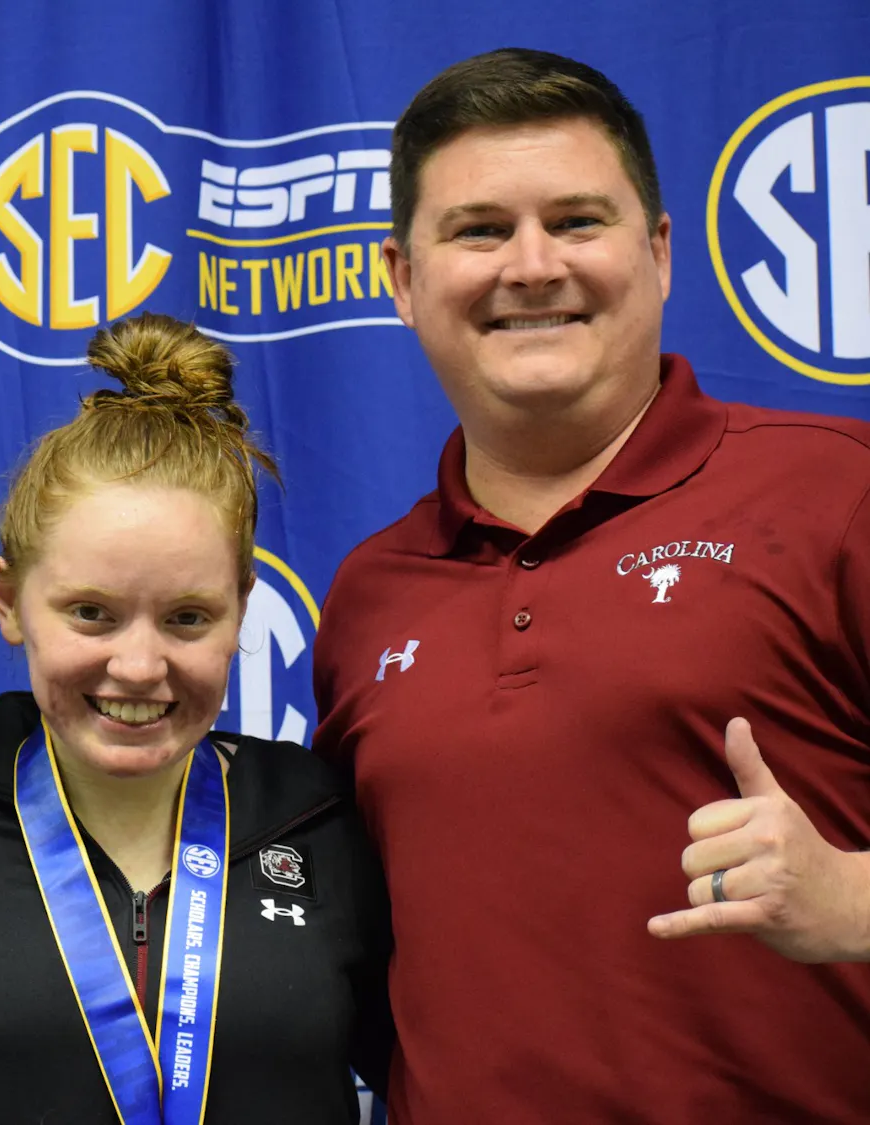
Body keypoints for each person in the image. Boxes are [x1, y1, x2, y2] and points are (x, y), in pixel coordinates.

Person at [313, 46, 870, 1123]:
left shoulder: (836, 492)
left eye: (576, 221)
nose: (531, 265)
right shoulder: (367, 596)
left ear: (659, 254)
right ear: (402, 280)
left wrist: (855, 899)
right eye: (479, 231)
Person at [0, 312, 393, 1124]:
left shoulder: (329, 823)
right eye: (92, 613)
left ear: (242, 610)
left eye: (187, 618)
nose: (138, 666)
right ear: (8, 599)